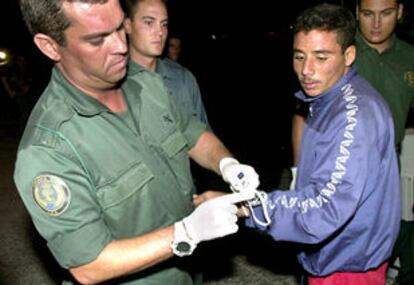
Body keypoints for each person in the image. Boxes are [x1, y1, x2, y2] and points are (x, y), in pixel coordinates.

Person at [14, 0, 260, 284]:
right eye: (98, 39)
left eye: (119, 27)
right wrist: (187, 232)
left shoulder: (144, 80)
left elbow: (192, 133)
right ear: (50, 46)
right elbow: (90, 265)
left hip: (189, 272)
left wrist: (227, 164)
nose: (121, 45)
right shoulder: (49, 149)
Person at [245, 3, 401, 284]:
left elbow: (324, 208)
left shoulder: (355, 116)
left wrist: (246, 206)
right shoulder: (330, 97)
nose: (306, 70)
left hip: (347, 265)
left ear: (349, 55)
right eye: (299, 56)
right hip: (333, 254)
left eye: (321, 57)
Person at [292, 0, 414, 175]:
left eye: (386, 13)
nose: (376, 24)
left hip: (387, 160)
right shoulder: (332, 48)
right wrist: (298, 170)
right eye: (368, 14)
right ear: (357, 12)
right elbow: (303, 114)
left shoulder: (410, 57)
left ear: (400, 11)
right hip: (331, 156)